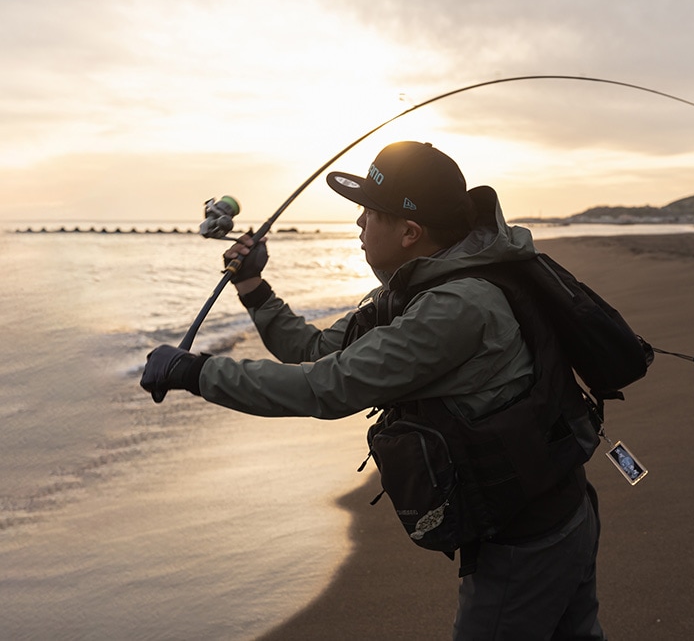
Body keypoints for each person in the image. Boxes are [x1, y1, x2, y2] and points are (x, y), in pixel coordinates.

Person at [141, 141, 607, 640]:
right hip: (556, 509)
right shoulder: (419, 287)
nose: (359, 224)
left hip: (530, 540)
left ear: (410, 232)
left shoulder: (454, 307)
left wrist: (194, 372)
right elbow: (317, 352)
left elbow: (327, 387)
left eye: (370, 213)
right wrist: (255, 287)